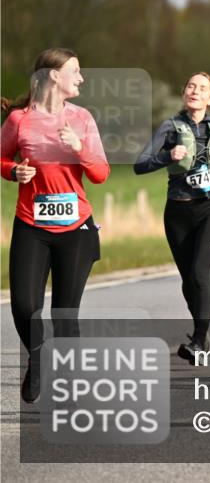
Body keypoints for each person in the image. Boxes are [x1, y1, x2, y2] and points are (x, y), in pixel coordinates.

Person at [2, 48, 108, 403]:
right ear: (52, 76)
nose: (81, 78)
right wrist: (12, 170)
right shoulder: (19, 120)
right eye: (75, 71)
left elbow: (100, 174)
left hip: (75, 227)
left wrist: (81, 149)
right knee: (23, 304)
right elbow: (0, 158)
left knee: (65, 316)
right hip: (31, 224)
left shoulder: (82, 118)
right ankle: (37, 355)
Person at [134, 72, 210, 361]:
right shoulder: (169, 127)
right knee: (188, 280)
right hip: (178, 211)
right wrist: (167, 156)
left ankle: (197, 341)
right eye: (191, 86)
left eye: (203, 88)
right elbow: (140, 165)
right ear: (185, 93)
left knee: (200, 273)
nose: (195, 91)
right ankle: (202, 333)